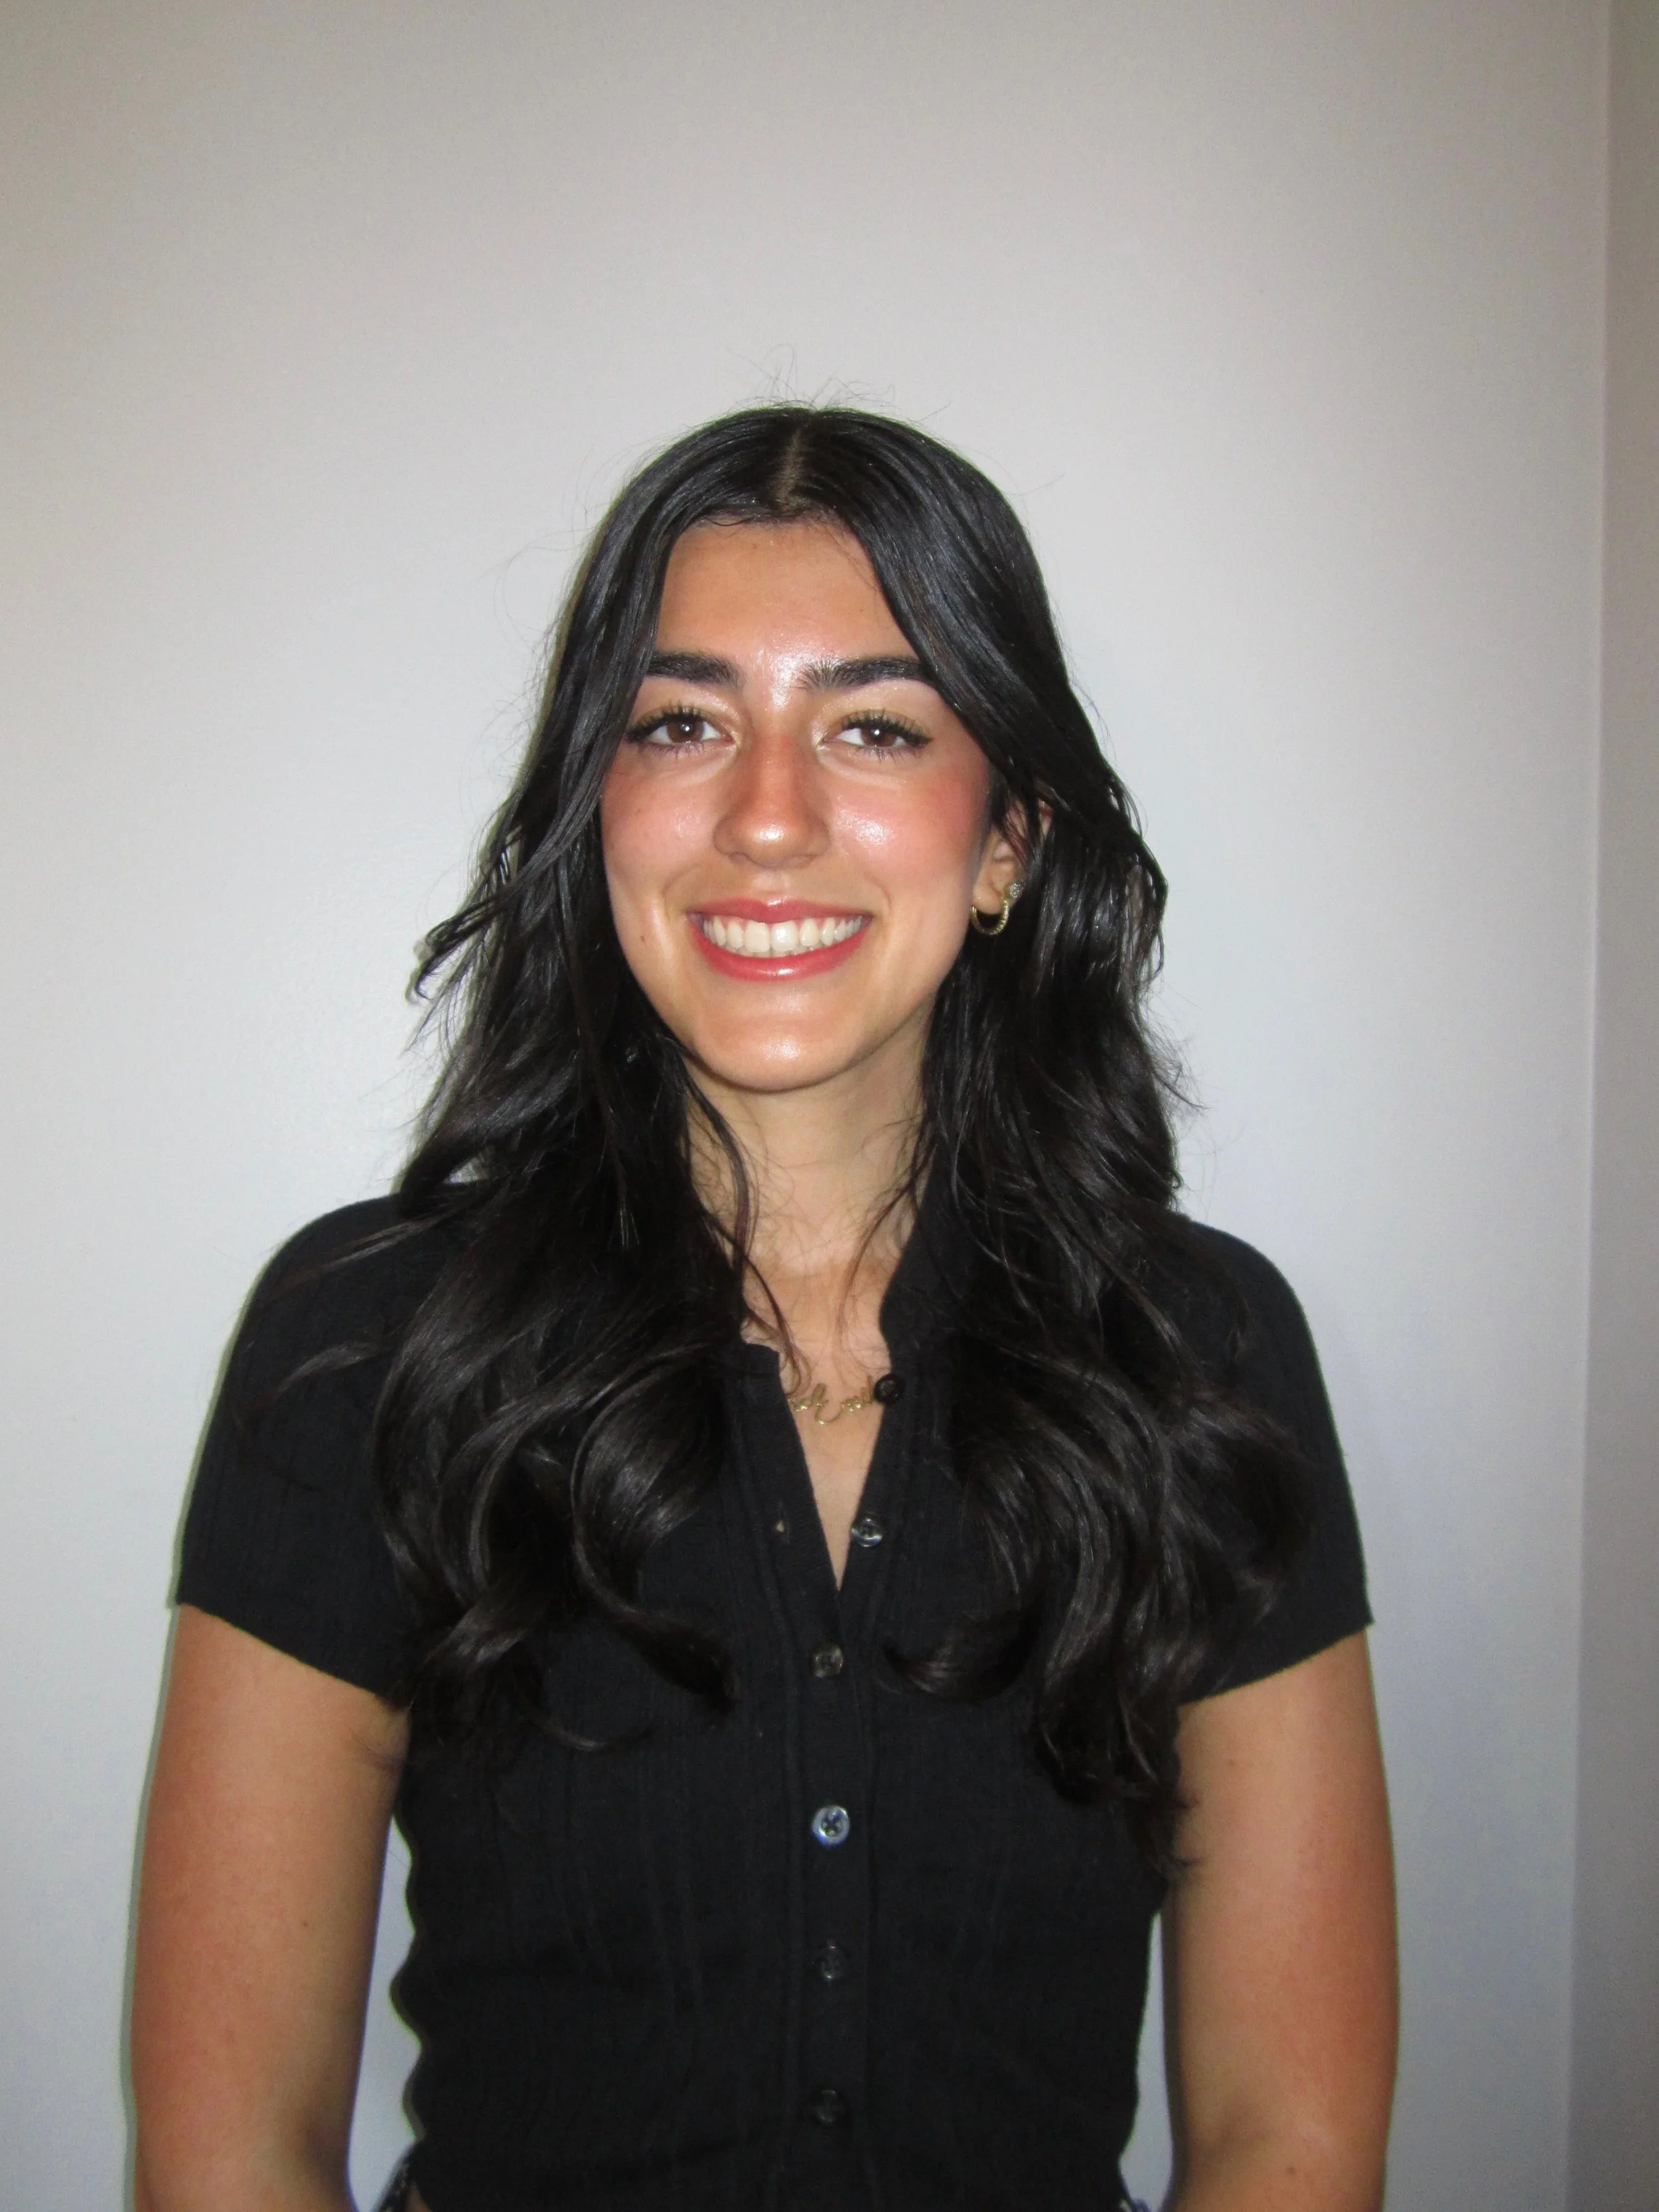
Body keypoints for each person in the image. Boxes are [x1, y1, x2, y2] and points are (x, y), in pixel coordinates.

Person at [130, 405, 1396, 2212]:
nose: (769, 816)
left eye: (874, 725)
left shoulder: (1204, 1356)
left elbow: (1295, 2137)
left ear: (1008, 838)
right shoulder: (363, 1342)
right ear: (599, 813)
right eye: (682, 723)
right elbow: (226, 2151)